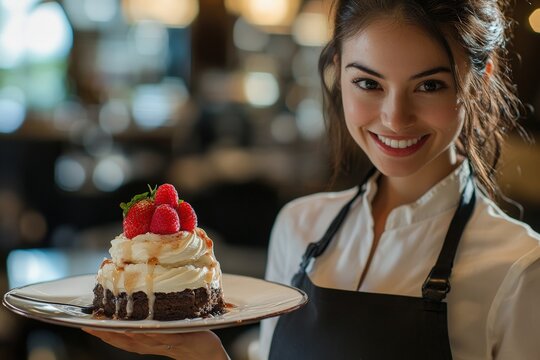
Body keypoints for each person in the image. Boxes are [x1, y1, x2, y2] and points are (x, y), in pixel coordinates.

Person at [85, 0, 540, 359]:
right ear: (338, 71)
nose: (394, 117)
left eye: (429, 85)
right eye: (368, 83)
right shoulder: (299, 226)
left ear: (480, 78)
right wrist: (204, 354)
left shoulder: (519, 268)